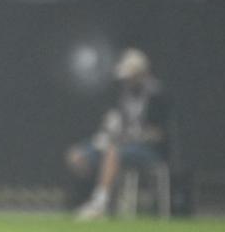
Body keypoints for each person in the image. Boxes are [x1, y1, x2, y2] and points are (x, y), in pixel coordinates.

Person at [67, 48, 170, 220]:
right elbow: (115, 123)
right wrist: (108, 133)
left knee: (113, 152)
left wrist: (131, 137)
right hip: (121, 144)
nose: (127, 81)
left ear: (142, 74)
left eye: (131, 77)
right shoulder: (123, 94)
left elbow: (158, 133)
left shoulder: (157, 95)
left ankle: (100, 203)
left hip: (149, 150)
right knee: (77, 155)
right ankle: (92, 198)